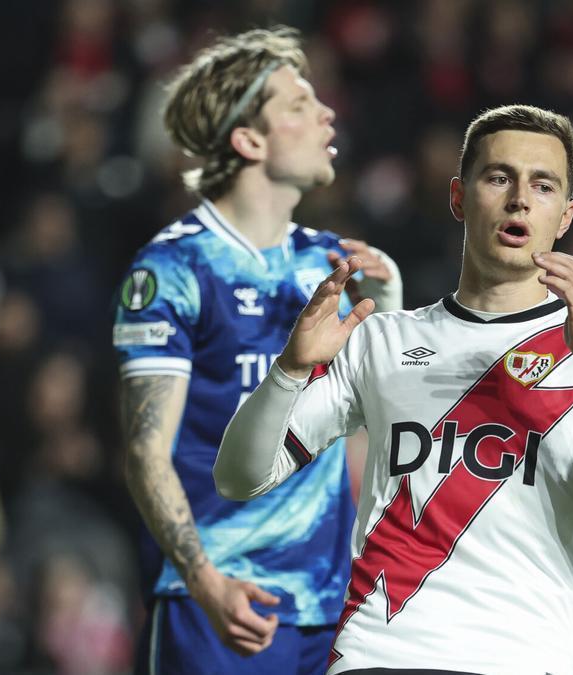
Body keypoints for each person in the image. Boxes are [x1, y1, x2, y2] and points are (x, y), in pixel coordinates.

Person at [214, 104, 573, 674]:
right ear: (459, 197)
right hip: (381, 654)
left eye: (543, 185)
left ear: (565, 215)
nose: (520, 199)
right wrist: (289, 370)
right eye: (499, 177)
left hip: (523, 660)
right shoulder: (381, 340)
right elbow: (239, 476)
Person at [113, 26, 402, 675]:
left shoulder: (326, 261)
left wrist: (389, 307)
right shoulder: (174, 269)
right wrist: (204, 581)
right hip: (224, 606)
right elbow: (144, 451)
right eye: (300, 104)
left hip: (328, 605)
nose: (327, 113)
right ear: (248, 140)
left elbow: (373, 425)